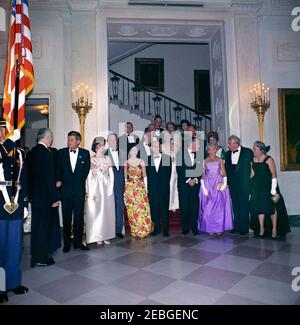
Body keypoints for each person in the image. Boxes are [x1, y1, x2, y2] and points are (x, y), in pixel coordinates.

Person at [0, 123, 28, 304]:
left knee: (14, 245)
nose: (3, 133)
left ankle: (13, 282)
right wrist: (9, 141)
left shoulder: (19, 153)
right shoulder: (5, 149)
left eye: (5, 130)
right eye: (1, 131)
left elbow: (23, 178)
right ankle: (0, 286)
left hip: (15, 203)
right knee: (1, 246)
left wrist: (24, 202)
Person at [28, 128, 60, 267]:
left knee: (37, 228)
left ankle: (35, 257)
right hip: (46, 198)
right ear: (47, 138)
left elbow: (28, 177)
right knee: (44, 228)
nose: (51, 139)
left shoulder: (32, 152)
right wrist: (55, 198)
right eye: (51, 137)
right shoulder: (46, 153)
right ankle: (41, 258)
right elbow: (49, 178)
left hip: (36, 198)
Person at [57, 131, 90, 252]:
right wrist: (60, 183)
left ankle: (78, 242)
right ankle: (66, 243)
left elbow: (85, 172)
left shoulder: (85, 154)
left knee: (79, 217)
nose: (69, 142)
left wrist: (76, 184)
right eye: (68, 139)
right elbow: (58, 170)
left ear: (78, 141)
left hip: (79, 190)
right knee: (66, 217)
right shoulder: (61, 153)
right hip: (65, 191)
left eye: (71, 140)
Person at [249, 141, 290, 239]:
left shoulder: (269, 159)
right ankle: (262, 229)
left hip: (269, 186)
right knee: (259, 207)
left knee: (272, 208)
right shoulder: (253, 160)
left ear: (261, 150)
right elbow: (252, 175)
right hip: (257, 187)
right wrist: (250, 187)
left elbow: (274, 174)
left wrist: (273, 190)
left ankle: (274, 229)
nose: (253, 150)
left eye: (255, 148)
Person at [198, 143, 233, 235]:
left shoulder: (220, 160)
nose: (214, 150)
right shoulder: (205, 161)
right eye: (212, 149)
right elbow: (202, 175)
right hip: (208, 184)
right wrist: (203, 187)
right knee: (208, 208)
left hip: (218, 184)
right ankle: (209, 228)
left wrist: (224, 184)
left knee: (219, 208)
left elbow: (224, 173)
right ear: (208, 150)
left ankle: (218, 228)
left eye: (215, 149)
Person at [86, 137, 115, 245]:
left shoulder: (107, 158)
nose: (104, 146)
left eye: (104, 144)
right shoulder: (92, 159)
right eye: (102, 144)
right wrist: (90, 189)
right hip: (96, 186)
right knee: (97, 210)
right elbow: (89, 175)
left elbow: (111, 174)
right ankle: (98, 235)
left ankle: (106, 235)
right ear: (97, 145)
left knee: (107, 210)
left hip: (106, 185)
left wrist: (110, 188)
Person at [225, 135, 253, 235]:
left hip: (244, 184)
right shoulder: (227, 154)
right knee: (235, 206)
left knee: (244, 206)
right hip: (233, 185)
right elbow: (227, 171)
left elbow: (252, 168)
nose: (228, 145)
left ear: (236, 144)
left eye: (229, 144)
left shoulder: (248, 152)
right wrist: (227, 183)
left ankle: (244, 228)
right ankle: (236, 227)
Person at [124, 146, 153, 238]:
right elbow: (125, 177)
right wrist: (125, 190)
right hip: (130, 188)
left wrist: (147, 188)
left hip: (140, 188)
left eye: (136, 150)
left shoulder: (141, 162)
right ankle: (135, 231)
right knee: (132, 210)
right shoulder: (126, 162)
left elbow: (145, 176)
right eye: (132, 150)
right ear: (129, 151)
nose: (134, 152)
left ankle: (144, 231)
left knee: (143, 209)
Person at [146, 138, 172, 237]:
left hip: (164, 189)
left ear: (160, 147)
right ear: (151, 148)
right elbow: (147, 175)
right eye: (153, 146)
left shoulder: (167, 158)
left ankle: (166, 230)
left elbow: (168, 175)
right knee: (154, 210)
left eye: (157, 146)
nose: (155, 147)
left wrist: (164, 187)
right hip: (152, 189)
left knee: (164, 210)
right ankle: (156, 229)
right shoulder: (147, 159)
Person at [176, 137, 201, 235]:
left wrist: (195, 179)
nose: (198, 146)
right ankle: (185, 228)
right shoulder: (180, 154)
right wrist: (188, 180)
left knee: (194, 206)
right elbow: (180, 170)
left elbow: (200, 170)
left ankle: (195, 228)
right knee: (184, 206)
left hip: (195, 184)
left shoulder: (199, 155)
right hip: (184, 185)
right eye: (197, 144)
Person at [105, 133, 125, 239]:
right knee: (110, 208)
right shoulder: (104, 155)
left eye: (114, 140)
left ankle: (118, 230)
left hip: (120, 184)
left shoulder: (122, 153)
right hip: (109, 186)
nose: (113, 142)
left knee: (119, 207)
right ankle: (110, 230)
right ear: (107, 142)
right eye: (111, 140)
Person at [162, 124, 181, 211]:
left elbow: (179, 149)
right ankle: (168, 204)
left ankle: (175, 204)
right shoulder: (164, 137)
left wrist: (174, 149)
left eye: (171, 127)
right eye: (168, 127)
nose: (170, 129)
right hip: (167, 163)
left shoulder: (177, 135)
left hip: (175, 162)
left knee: (175, 183)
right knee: (169, 183)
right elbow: (163, 150)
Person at [48, 146, 62, 256]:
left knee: (53, 221)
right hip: (46, 195)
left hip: (53, 194)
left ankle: (54, 245)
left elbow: (58, 173)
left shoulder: (54, 153)